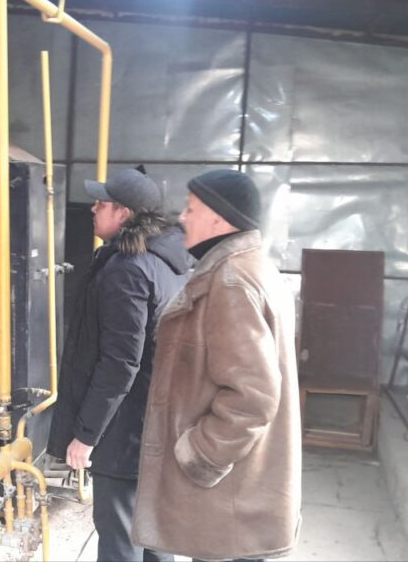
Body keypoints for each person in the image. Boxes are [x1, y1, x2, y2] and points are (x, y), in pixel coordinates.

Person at [131, 169, 301, 562]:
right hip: (236, 499)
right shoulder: (248, 268)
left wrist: (201, 455)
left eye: (191, 209)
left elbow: (253, 397)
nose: (181, 218)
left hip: (229, 502)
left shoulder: (231, 282)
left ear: (219, 220)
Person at [47, 167, 190, 562]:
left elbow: (119, 363)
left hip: (123, 434)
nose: (92, 209)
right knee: (154, 537)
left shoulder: (128, 270)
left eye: (101, 203)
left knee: (120, 542)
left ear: (123, 213)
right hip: (155, 425)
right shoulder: (164, 263)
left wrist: (86, 435)